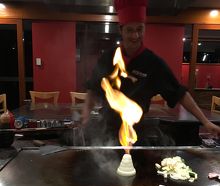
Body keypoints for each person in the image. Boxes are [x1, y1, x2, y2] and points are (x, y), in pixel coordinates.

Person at [82, 0, 220, 146]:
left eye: (139, 29)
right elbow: (93, 88)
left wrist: (205, 121)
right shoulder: (108, 58)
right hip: (106, 129)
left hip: (136, 131)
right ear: (120, 29)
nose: (135, 36)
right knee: (101, 166)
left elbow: (180, 94)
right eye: (130, 30)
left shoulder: (154, 63)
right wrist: (85, 116)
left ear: (144, 29)